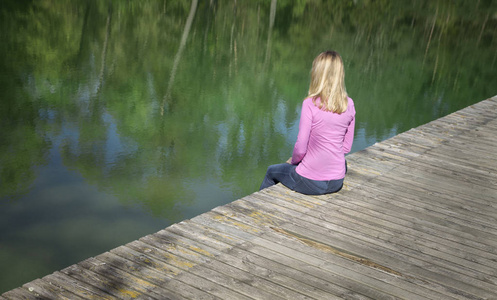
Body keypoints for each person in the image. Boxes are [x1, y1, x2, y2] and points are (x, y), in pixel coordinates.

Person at [260, 51, 355, 195]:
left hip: (310, 182)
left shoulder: (310, 104)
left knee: (272, 171)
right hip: (337, 181)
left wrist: (294, 162)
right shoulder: (349, 104)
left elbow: (300, 149)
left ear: (317, 73)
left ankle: (261, 207)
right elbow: (346, 147)